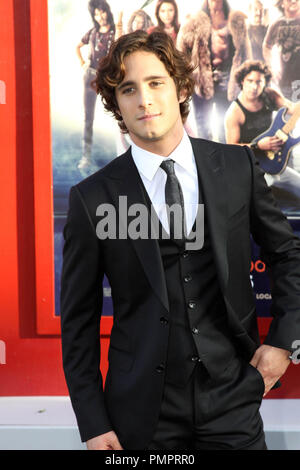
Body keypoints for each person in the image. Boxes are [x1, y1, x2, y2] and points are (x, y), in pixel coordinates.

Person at [60, 30, 300, 451]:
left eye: (155, 83)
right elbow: (78, 320)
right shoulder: (91, 198)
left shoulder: (238, 164)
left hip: (232, 398)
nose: (144, 99)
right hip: (139, 414)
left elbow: (287, 254)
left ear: (181, 87)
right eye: (128, 89)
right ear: (115, 103)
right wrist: (93, 422)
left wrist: (284, 342)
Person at [177, 0, 252, 142]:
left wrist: (246, 80)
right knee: (204, 129)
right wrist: (189, 76)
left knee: (228, 127)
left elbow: (246, 54)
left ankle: (226, 160)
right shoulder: (194, 20)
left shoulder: (236, 19)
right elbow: (181, 51)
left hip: (228, 82)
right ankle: (207, 162)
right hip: (202, 82)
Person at [225, 60, 300, 201]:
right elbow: (231, 148)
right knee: (263, 202)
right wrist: (258, 145)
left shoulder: (269, 95)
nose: (254, 86)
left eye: (259, 82)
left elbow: (292, 108)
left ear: (265, 83)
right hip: (252, 170)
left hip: (276, 163)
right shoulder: (234, 112)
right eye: (250, 81)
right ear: (242, 82)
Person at [76, 0, 115, 170]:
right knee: (88, 119)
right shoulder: (92, 33)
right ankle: (86, 157)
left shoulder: (116, 32)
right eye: (96, 14)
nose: (100, 17)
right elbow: (78, 46)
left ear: (107, 11)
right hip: (91, 76)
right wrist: (83, 62)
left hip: (109, 78)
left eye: (102, 12)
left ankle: (124, 154)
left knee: (121, 114)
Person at [263, 0, 300, 100]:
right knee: (289, 114)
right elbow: (266, 46)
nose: (293, 1)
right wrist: (271, 67)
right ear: (282, 3)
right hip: (285, 84)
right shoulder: (277, 24)